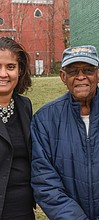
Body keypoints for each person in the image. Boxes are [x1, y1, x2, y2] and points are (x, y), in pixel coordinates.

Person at [31, 45, 99, 219]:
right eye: (73, 71)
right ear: (63, 76)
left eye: (88, 70)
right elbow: (45, 181)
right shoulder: (44, 120)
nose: (81, 77)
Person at [0, 37, 35, 219]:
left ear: (20, 70)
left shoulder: (25, 106)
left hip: (23, 209)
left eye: (10, 67)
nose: (3, 74)